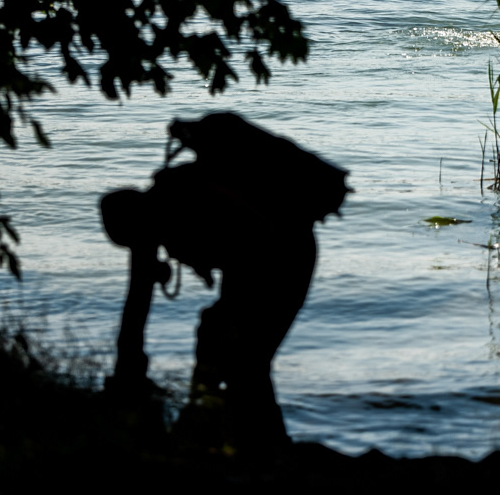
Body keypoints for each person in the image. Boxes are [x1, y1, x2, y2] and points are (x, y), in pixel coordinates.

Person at [100, 112, 350, 451]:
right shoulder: (158, 210)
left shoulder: (181, 200)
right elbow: (137, 307)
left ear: (134, 220)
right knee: (227, 345)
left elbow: (253, 247)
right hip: (268, 256)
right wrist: (128, 374)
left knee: (246, 360)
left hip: (285, 255)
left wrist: (129, 375)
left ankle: (258, 446)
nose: (140, 249)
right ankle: (224, 432)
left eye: (133, 241)